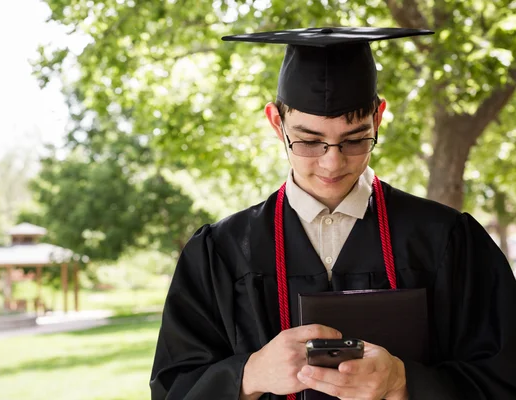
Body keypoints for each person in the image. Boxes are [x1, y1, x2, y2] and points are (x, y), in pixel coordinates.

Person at [149, 27, 516, 400]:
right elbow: (173, 388)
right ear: (277, 122)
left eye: (355, 139)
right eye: (308, 141)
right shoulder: (221, 252)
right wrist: (248, 375)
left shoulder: (447, 239)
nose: (332, 162)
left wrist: (404, 383)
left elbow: (504, 377)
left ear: (379, 118)